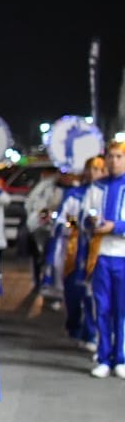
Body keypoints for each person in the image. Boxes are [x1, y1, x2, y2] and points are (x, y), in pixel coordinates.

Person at [83, 142, 125, 377]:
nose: (114, 161)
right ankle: (103, 356)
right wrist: (91, 222)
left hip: (123, 255)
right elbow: (84, 216)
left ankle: (120, 357)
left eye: (119, 156)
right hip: (100, 255)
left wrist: (116, 226)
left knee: (122, 309)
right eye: (110, 156)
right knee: (102, 307)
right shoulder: (96, 187)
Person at [59, 155, 107, 350]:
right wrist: (75, 225)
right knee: (76, 290)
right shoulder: (75, 193)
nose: (95, 173)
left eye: (99, 169)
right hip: (78, 248)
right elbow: (67, 218)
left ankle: (93, 333)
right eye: (92, 169)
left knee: (96, 294)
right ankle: (77, 326)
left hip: (104, 249)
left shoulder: (109, 191)